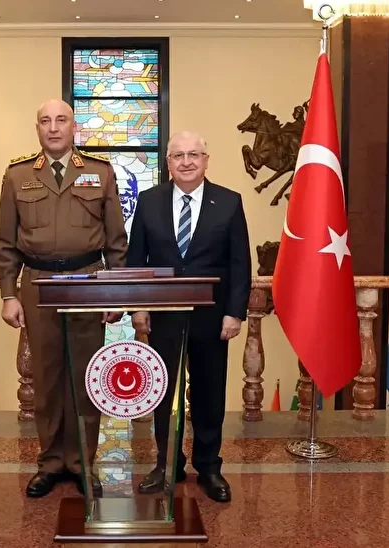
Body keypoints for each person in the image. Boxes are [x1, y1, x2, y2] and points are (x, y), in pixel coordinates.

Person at [0, 99, 128, 498]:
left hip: (88, 282)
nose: (53, 128)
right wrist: (8, 294)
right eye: (45, 121)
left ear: (74, 127)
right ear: (37, 128)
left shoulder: (100, 173)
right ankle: (51, 462)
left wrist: (114, 292)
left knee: (86, 379)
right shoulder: (17, 175)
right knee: (46, 378)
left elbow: (117, 242)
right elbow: (5, 243)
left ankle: (83, 462)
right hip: (38, 285)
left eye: (61, 120)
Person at [126, 130, 251, 502]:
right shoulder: (149, 202)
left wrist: (234, 312)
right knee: (164, 392)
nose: (186, 162)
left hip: (213, 317)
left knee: (210, 392)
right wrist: (138, 307)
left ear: (206, 160)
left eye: (193, 154)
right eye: (178, 155)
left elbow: (240, 263)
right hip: (163, 315)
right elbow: (136, 261)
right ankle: (168, 464)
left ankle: (209, 467)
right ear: (168, 162)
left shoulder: (228, 202)